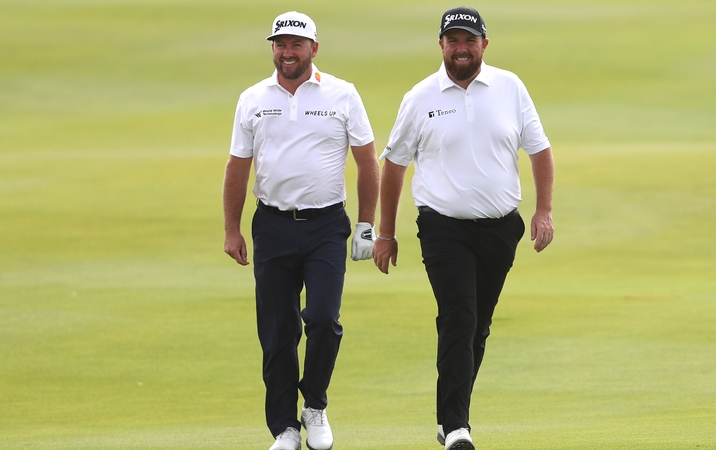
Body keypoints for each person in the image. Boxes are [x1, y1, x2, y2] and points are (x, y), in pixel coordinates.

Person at [372, 6, 554, 450]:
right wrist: (386, 232)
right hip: (442, 229)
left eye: (469, 40)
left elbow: (539, 150)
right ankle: (457, 427)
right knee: (460, 317)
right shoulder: (420, 97)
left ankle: (448, 416)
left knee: (478, 327)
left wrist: (543, 211)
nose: (461, 48)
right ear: (441, 45)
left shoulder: (510, 87)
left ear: (484, 45)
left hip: (499, 228)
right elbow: (394, 165)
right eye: (452, 40)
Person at [222, 11, 380, 450]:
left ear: (314, 48)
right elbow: (238, 166)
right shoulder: (253, 98)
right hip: (271, 225)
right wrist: (231, 229)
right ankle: (285, 429)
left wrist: (367, 225)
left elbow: (368, 161)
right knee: (277, 333)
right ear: (272, 48)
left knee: (324, 320)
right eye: (280, 44)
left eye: (296, 44)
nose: (287, 52)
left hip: (327, 225)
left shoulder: (342, 94)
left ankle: (315, 405)